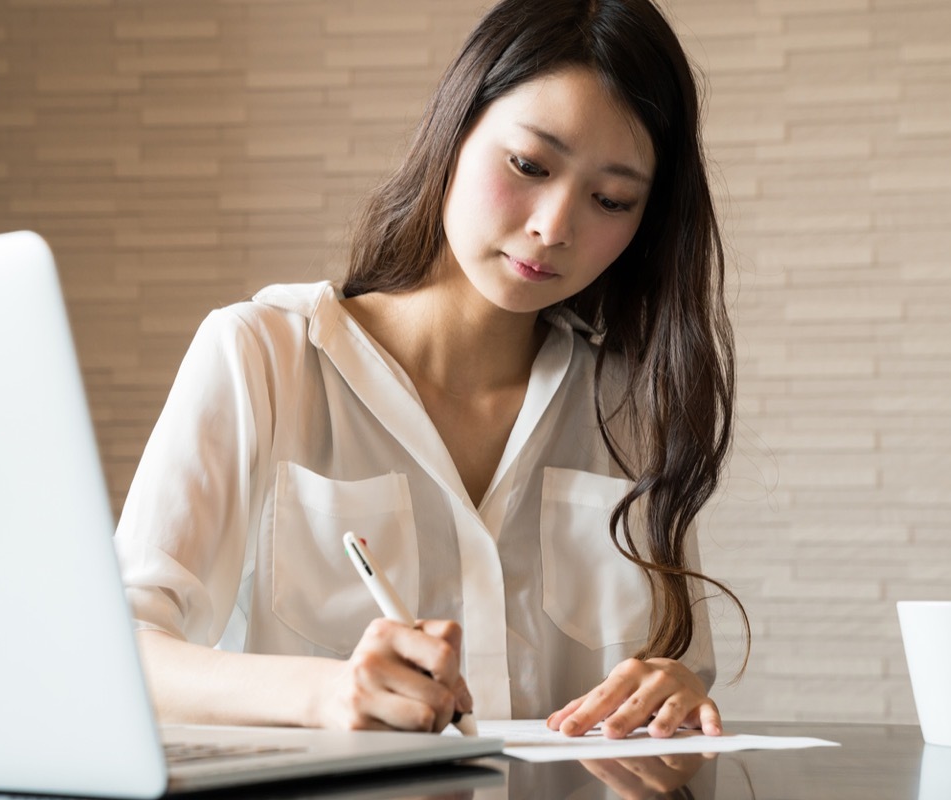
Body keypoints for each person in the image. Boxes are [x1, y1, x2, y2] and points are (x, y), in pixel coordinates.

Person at [113, 0, 748, 740]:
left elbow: (675, 672)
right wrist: (327, 694)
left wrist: (668, 687)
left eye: (611, 199)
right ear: (456, 130)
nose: (554, 226)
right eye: (529, 165)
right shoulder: (262, 357)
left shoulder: (632, 408)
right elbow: (118, 653)